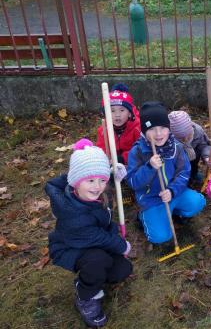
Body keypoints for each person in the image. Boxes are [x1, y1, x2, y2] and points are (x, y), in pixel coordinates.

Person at [45, 139, 131, 328]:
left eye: (102, 180)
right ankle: (85, 296)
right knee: (98, 261)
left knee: (122, 269)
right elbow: (97, 237)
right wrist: (121, 244)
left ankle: (92, 278)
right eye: (91, 181)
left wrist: (112, 173)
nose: (97, 186)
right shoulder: (72, 213)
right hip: (72, 247)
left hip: (94, 242)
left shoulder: (91, 193)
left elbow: (88, 175)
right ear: (75, 182)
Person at [127, 102, 206, 243]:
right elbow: (133, 182)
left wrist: (173, 191)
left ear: (168, 128)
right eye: (152, 129)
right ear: (144, 131)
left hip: (173, 194)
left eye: (163, 128)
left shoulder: (176, 147)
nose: (158, 134)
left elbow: (184, 172)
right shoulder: (138, 151)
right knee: (161, 238)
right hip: (152, 200)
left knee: (198, 202)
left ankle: (174, 211)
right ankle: (143, 217)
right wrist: (149, 167)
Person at [96, 83, 141, 165]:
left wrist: (123, 158)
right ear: (105, 113)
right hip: (111, 163)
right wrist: (105, 159)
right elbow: (101, 149)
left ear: (130, 113)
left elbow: (140, 149)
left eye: (122, 110)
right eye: (112, 111)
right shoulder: (103, 130)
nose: (117, 115)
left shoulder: (137, 128)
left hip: (132, 163)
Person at [168, 110, 211, 184]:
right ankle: (181, 180)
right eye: (181, 138)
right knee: (179, 169)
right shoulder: (168, 138)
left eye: (188, 136)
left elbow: (204, 145)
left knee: (193, 165)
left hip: (194, 156)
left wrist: (207, 156)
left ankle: (193, 174)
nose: (185, 140)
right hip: (179, 161)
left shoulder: (198, 131)